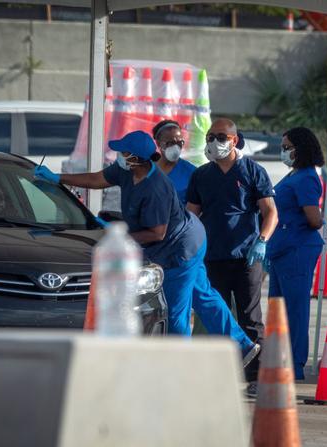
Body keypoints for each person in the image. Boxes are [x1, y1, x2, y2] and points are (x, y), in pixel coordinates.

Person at [33, 131, 260, 365]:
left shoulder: (155, 187)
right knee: (203, 296)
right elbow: (98, 179)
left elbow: (157, 232)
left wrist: (119, 234)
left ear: (134, 157)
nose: (118, 155)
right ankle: (243, 346)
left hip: (180, 248)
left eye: (123, 152)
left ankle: (180, 368)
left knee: (175, 311)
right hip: (186, 238)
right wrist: (59, 178)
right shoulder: (126, 171)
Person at [186, 118, 278, 393]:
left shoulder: (252, 171)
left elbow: (270, 212)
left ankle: (256, 376)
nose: (214, 142)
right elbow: (191, 214)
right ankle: (220, 375)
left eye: (221, 137)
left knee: (250, 317)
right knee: (218, 316)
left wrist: (262, 240)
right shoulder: (201, 175)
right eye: (210, 136)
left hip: (247, 255)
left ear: (234, 140)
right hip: (212, 256)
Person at [266, 127, 324, 381]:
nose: (284, 151)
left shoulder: (307, 178)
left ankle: (296, 363)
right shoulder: (295, 174)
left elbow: (314, 219)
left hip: (297, 249)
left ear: (302, 148)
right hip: (283, 249)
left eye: (288, 147)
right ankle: (281, 360)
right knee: (278, 308)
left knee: (295, 309)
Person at [152, 119, 197, 204]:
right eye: (170, 143)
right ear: (158, 144)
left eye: (180, 143)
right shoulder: (147, 171)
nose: (176, 147)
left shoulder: (192, 173)